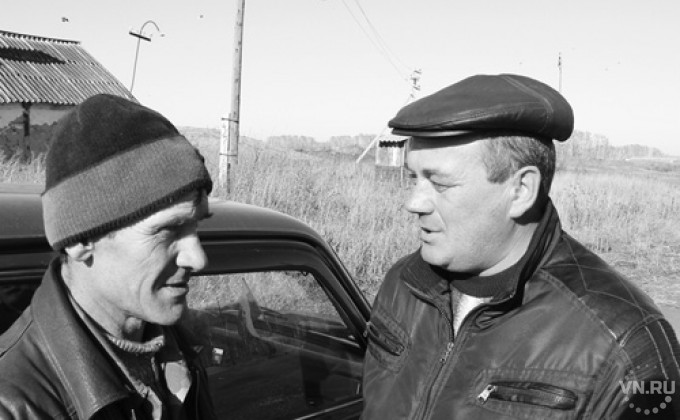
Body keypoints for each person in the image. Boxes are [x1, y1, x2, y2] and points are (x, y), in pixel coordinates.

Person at [362, 74, 680, 419]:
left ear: (521, 190)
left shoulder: (625, 345)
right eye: (413, 178)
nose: (413, 203)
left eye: (440, 183)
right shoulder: (403, 283)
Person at [0, 94, 217, 419]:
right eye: (168, 230)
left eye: (196, 226)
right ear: (80, 240)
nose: (198, 259)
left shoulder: (179, 350)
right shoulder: (13, 405)